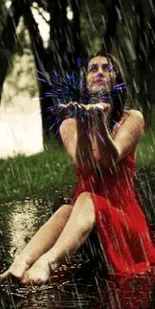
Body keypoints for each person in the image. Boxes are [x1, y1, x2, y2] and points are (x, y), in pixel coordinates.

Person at [1, 51, 155, 286]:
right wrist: (84, 123)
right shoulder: (69, 125)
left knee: (86, 198)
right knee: (65, 210)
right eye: (93, 69)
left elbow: (108, 160)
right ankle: (19, 264)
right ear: (85, 81)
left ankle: (48, 262)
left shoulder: (132, 119)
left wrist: (100, 122)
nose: (100, 72)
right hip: (82, 220)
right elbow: (85, 163)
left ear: (118, 80)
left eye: (107, 68)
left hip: (123, 222)